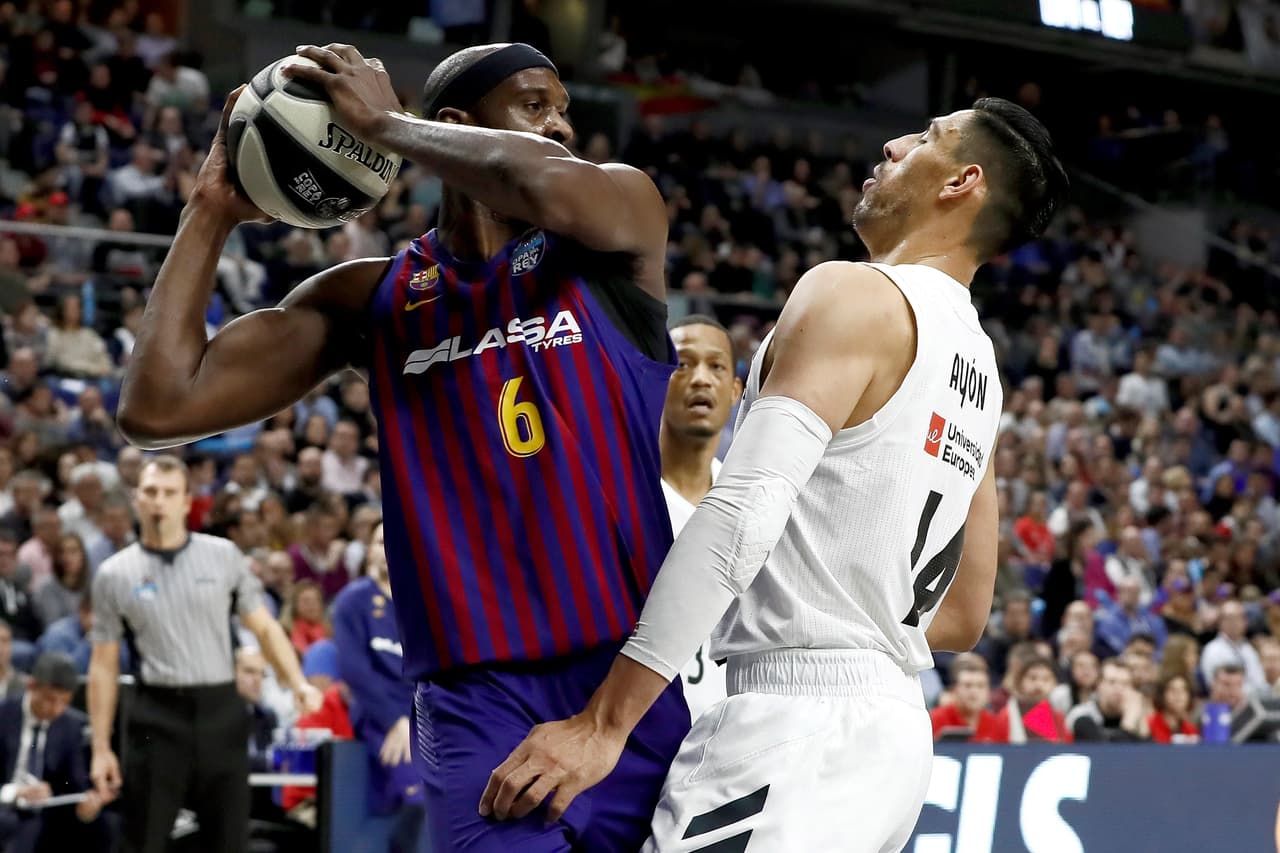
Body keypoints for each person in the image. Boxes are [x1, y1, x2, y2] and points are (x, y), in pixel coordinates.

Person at [117, 41, 682, 851]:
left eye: (563, 106)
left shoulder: (616, 230)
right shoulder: (372, 296)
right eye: (533, 104)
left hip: (630, 679)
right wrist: (210, 209)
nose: (559, 122)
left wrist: (386, 123)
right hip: (473, 696)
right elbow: (159, 406)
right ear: (456, 125)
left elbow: (543, 181)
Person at [484, 98, 1067, 851]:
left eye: (926, 138)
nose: (892, 143)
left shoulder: (854, 291)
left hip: (794, 721)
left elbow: (745, 508)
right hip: (890, 738)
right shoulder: (980, 369)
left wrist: (605, 723)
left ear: (962, 182)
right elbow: (962, 615)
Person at [85, 456, 322, 853]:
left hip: (220, 712)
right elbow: (103, 665)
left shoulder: (223, 556)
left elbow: (263, 626)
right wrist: (101, 748)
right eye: (151, 492)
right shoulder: (114, 574)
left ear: (186, 500)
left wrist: (296, 681)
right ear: (136, 498)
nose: (159, 501)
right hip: (155, 715)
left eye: (169, 493)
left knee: (229, 840)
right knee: (142, 841)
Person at [658, 315, 742, 722]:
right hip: (632, 735)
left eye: (717, 367)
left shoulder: (753, 502)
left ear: (734, 391)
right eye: (682, 364)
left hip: (722, 735)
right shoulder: (617, 495)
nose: (701, 379)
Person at [332, 523, 423, 853]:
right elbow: (355, 672)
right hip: (378, 717)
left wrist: (415, 721)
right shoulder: (352, 601)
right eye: (380, 541)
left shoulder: (420, 605)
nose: (387, 548)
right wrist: (395, 721)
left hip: (424, 718)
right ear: (369, 550)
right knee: (418, 798)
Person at [0, 653, 115, 853]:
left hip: (46, 811)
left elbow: (76, 782)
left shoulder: (71, 725)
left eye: (64, 702)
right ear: (32, 686)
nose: (56, 709)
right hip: (6, 803)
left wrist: (86, 806)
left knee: (108, 825)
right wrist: (14, 792)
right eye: (51, 700)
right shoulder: (4, 715)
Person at [1066, 658, 1150, 742]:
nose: (1119, 688)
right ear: (1098, 685)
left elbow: (1152, 752)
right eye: (1112, 682)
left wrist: (1141, 722)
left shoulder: (1134, 715)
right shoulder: (1081, 716)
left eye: (1125, 684)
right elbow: (1105, 752)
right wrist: (1128, 722)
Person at [929, 655, 1003, 743]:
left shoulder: (995, 724)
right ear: (954, 689)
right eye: (968, 685)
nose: (974, 692)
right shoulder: (934, 720)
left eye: (980, 686)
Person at [1147, 672, 1199, 744]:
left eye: (1183, 690)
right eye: (1172, 689)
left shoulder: (1191, 730)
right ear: (1162, 695)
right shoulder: (1149, 725)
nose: (1178, 694)